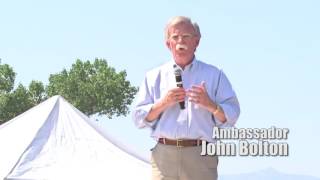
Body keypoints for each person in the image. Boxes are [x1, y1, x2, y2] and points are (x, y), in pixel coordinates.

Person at [132, 16, 240, 180]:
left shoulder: (214, 75)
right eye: (175, 37)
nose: (180, 41)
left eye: (186, 36)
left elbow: (233, 115)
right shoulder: (153, 76)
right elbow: (138, 118)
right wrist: (163, 103)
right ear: (168, 44)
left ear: (196, 42)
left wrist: (210, 105)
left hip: (200, 156)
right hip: (164, 156)